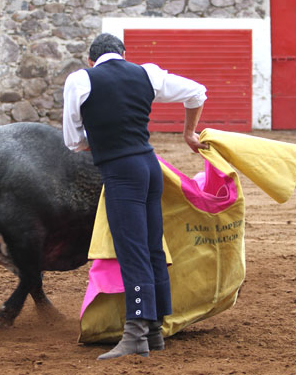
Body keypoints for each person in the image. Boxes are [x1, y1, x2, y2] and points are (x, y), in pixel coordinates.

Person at [62, 33, 208, 359]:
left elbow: (73, 141)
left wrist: (101, 135)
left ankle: (136, 332)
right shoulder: (147, 73)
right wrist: (188, 133)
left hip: (121, 172)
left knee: (132, 250)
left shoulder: (81, 80)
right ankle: (155, 329)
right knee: (153, 246)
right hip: (150, 166)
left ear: (90, 60)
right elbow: (198, 92)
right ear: (124, 54)